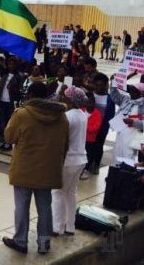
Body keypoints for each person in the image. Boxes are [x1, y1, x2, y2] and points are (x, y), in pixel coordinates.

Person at [2, 82, 69, 254]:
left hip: (24, 168)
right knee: (45, 207)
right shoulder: (61, 116)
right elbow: (65, 144)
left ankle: (20, 241)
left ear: (30, 95)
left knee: (22, 206)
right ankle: (44, 243)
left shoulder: (22, 114)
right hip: (48, 169)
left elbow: (9, 137)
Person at [52, 87, 88, 236]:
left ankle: (57, 227)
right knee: (71, 193)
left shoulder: (67, 116)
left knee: (58, 192)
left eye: (65, 96)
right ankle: (70, 226)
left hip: (68, 160)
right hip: (81, 158)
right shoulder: (83, 115)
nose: (62, 98)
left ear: (70, 100)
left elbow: (59, 139)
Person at [108, 81, 144, 165]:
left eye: (135, 91)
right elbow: (114, 95)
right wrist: (115, 81)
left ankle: (125, 176)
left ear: (141, 93)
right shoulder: (126, 99)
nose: (131, 93)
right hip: (120, 133)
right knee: (117, 154)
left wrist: (133, 122)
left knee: (128, 158)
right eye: (131, 90)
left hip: (132, 136)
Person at [80, 92, 103, 180]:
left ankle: (85, 170)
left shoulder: (97, 114)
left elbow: (94, 129)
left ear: (94, 103)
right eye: (87, 102)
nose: (89, 104)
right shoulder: (81, 110)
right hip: (80, 138)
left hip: (89, 140)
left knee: (87, 155)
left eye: (91, 102)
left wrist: (83, 124)